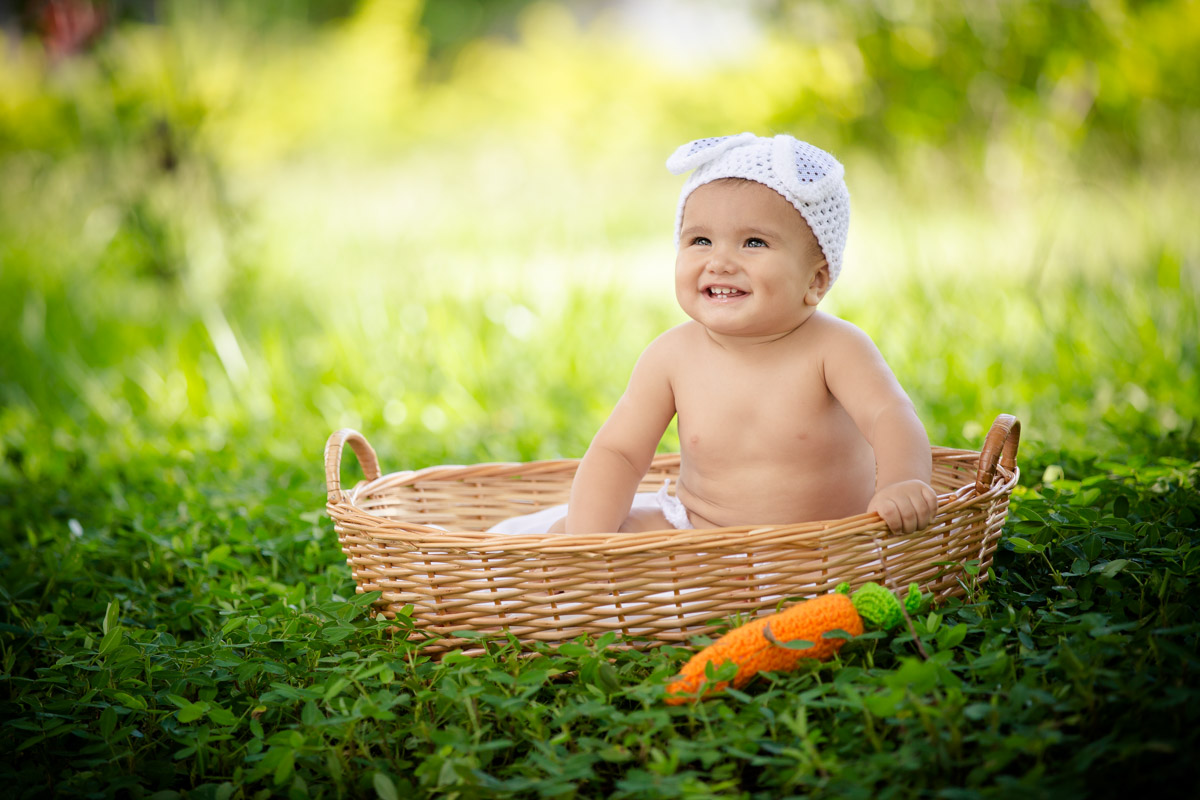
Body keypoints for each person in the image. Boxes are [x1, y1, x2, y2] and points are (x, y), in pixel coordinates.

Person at [495, 133, 937, 536]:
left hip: (824, 543)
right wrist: (587, 539)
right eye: (700, 241)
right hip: (701, 535)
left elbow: (890, 416)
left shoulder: (836, 348)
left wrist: (902, 483)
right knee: (567, 534)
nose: (721, 261)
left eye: (754, 243)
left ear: (816, 281)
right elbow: (620, 453)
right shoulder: (671, 356)